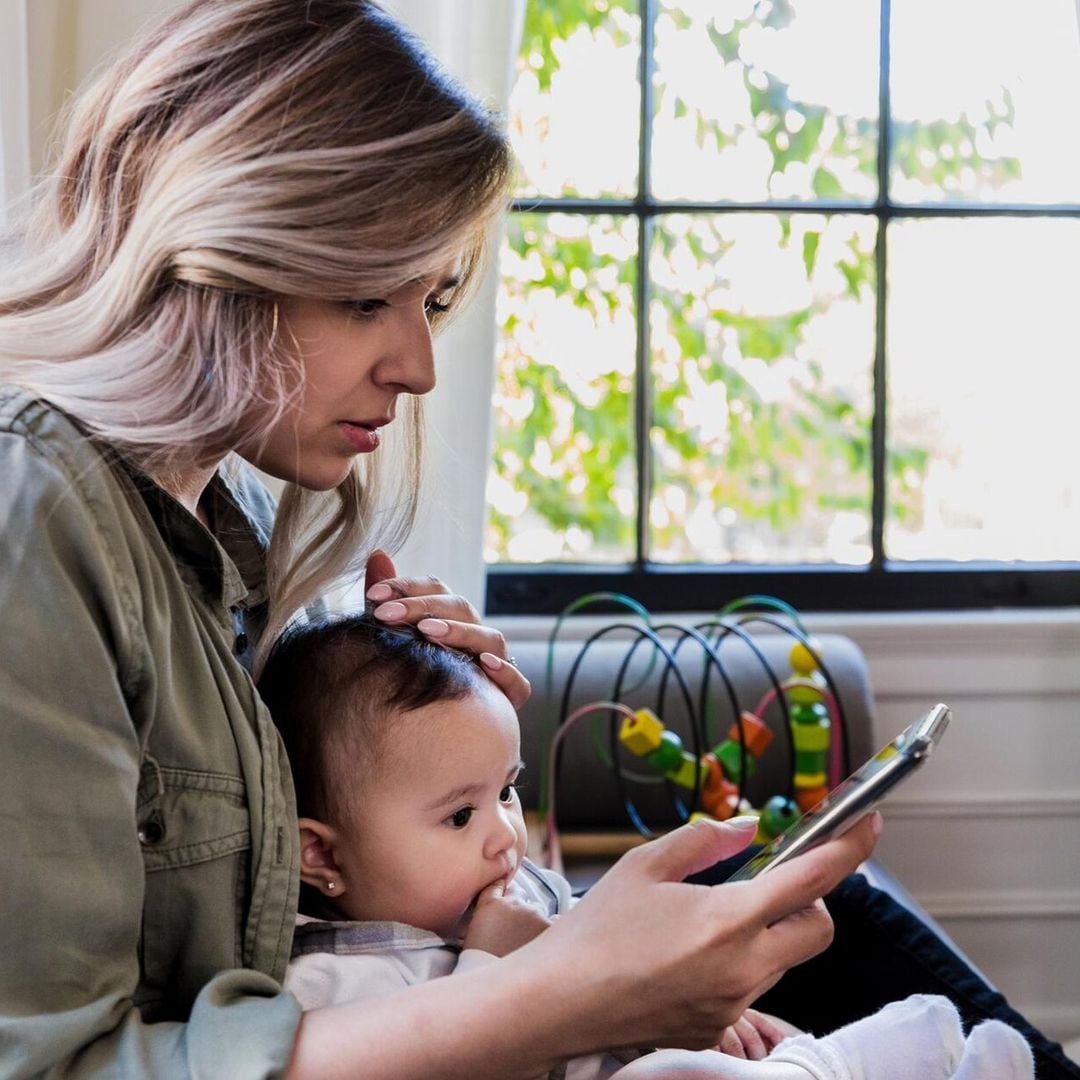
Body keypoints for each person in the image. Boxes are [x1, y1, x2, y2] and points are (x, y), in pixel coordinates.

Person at [0, 2, 882, 1077]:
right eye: (368, 296)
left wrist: (415, 741)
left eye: (432, 296)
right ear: (215, 259)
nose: (417, 366)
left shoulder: (226, 543)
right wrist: (563, 997)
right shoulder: (36, 520)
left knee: (857, 931)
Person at [257, 612, 1035, 1080]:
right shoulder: (330, 984)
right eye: (459, 816)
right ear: (322, 857)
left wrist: (683, 1009)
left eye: (506, 791)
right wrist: (495, 962)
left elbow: (611, 983)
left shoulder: (509, 889)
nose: (504, 835)